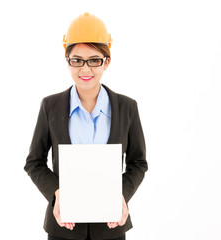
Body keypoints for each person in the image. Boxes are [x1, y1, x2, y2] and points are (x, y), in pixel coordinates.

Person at [24, 12, 148, 240]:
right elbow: (34, 162)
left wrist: (121, 194)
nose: (85, 69)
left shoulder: (127, 108)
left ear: (106, 61)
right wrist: (56, 193)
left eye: (94, 60)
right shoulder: (50, 106)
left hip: (111, 227)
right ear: (68, 61)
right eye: (77, 60)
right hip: (64, 227)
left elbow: (138, 163)